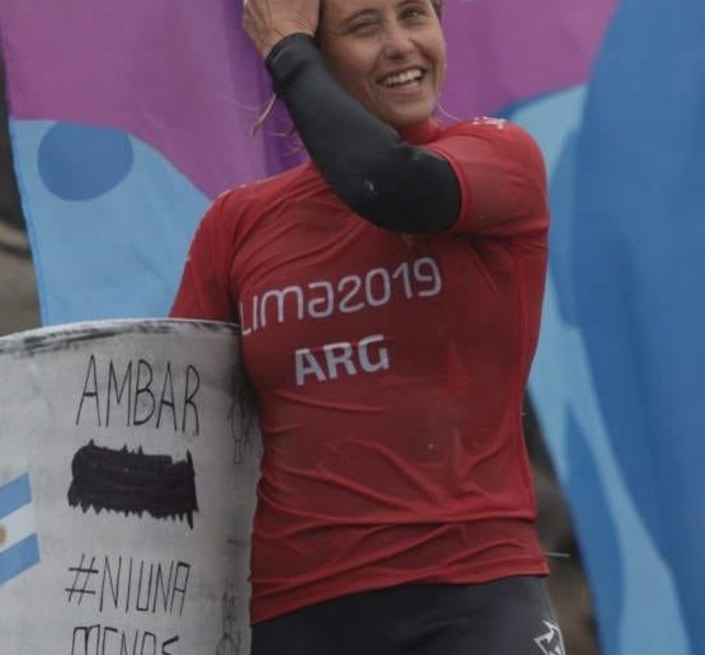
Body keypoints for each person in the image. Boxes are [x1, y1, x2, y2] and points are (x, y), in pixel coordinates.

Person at [170, 0, 560, 652]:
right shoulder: (239, 225)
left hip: (474, 596)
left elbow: (387, 184)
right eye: (364, 27)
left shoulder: (497, 158)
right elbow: (182, 422)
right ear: (320, 56)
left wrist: (284, 51)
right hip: (298, 611)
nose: (402, 44)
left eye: (415, 14)